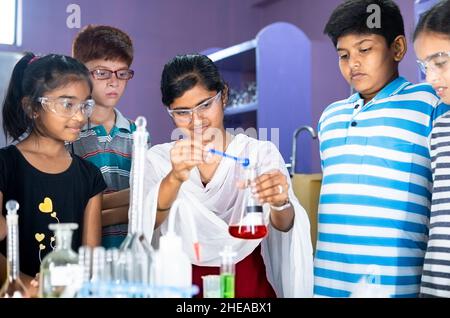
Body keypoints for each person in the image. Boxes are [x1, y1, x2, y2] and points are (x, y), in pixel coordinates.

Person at [140, 54, 313, 297]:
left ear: (223, 95)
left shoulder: (258, 154)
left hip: (248, 289)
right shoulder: (159, 160)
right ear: (170, 112)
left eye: (205, 105)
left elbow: (284, 227)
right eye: (182, 112)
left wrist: (280, 202)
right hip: (183, 290)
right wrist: (175, 177)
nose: (196, 121)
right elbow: (144, 225)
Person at [314, 0, 450, 297]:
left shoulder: (432, 102)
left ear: (398, 48)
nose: (354, 63)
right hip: (329, 282)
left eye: (365, 50)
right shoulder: (330, 117)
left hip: (399, 283)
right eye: (343, 55)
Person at [0, 53, 106, 293]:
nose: (79, 116)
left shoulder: (90, 176)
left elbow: (90, 262)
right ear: (32, 107)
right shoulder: (5, 165)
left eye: (84, 105)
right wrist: (30, 287)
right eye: (67, 104)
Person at [71, 25, 142, 248]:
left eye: (122, 73)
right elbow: (68, 209)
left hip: (131, 260)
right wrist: (137, 199)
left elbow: (150, 206)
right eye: (102, 73)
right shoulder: (69, 133)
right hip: (83, 259)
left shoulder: (138, 135)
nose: (114, 82)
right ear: (80, 72)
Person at [413, 0, 450, 298]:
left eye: (439, 62)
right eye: (424, 66)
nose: (430, 78)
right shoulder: (440, 127)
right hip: (435, 287)